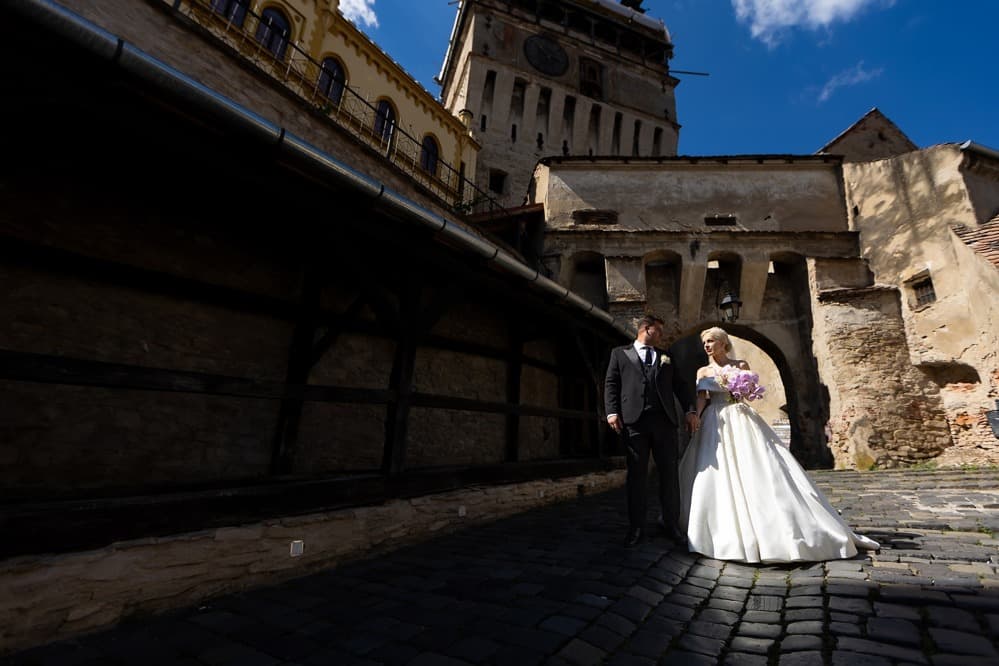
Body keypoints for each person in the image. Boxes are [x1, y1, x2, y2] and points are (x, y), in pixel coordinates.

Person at [679, 327, 879, 563]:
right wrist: (696, 418)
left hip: (740, 416)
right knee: (716, 472)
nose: (707, 346)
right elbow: (702, 398)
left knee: (758, 465)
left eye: (711, 341)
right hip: (716, 420)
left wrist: (744, 388)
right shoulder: (704, 370)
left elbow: (750, 395)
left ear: (723, 343)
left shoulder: (741, 365)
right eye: (705, 343)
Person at [605, 314, 699, 547]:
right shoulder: (620, 354)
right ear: (646, 329)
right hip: (633, 423)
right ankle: (636, 527)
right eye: (659, 330)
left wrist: (690, 410)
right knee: (637, 476)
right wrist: (611, 412)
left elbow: (680, 385)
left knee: (669, 475)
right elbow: (611, 384)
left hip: (665, 423)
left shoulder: (667, 356)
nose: (662, 335)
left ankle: (671, 524)